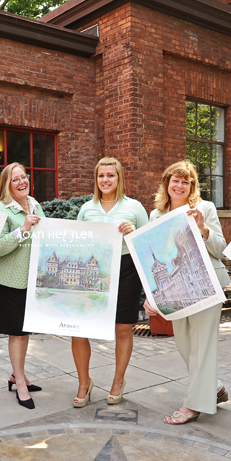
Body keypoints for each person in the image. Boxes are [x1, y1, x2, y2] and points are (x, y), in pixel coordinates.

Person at [143, 160, 231, 424]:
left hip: (207, 285)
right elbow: (151, 261)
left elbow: (221, 248)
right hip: (175, 285)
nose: (180, 185)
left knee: (203, 346)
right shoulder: (155, 216)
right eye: (175, 180)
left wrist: (204, 230)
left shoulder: (204, 208)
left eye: (186, 181)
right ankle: (214, 387)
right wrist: (152, 295)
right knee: (184, 344)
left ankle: (193, 405)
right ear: (166, 183)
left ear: (192, 185)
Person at [72, 157, 148, 407]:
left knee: (123, 328)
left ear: (119, 178)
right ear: (96, 179)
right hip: (92, 273)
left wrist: (134, 232)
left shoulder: (134, 207)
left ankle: (118, 380)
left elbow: (147, 244)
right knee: (79, 328)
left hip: (126, 269)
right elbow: (76, 244)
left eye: (110, 175)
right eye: (101, 175)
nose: (105, 180)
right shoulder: (86, 208)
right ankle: (84, 382)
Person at [0, 163, 45, 410]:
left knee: (26, 332)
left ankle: (17, 374)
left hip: (32, 280)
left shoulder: (34, 204)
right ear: (6, 185)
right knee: (17, 332)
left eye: (24, 176)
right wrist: (23, 230)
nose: (22, 181)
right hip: (10, 281)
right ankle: (20, 383)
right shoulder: (0, 209)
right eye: (15, 179)